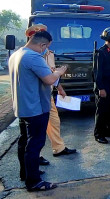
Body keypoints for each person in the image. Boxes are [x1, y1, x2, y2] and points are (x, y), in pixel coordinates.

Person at [9, 30, 67, 191]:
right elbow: (49, 79)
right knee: (34, 145)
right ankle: (34, 181)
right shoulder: (33, 57)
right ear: (42, 44)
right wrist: (59, 72)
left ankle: (26, 173)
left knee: (24, 143)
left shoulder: (16, 54)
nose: (47, 50)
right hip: (36, 108)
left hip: (22, 107)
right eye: (47, 47)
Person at [23, 25, 77, 164]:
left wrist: (60, 88)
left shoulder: (49, 53)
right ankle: (36, 156)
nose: (46, 47)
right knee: (35, 134)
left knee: (54, 122)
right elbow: (50, 75)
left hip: (47, 94)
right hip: (34, 99)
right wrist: (58, 73)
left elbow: (51, 73)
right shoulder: (30, 56)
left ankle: (58, 148)